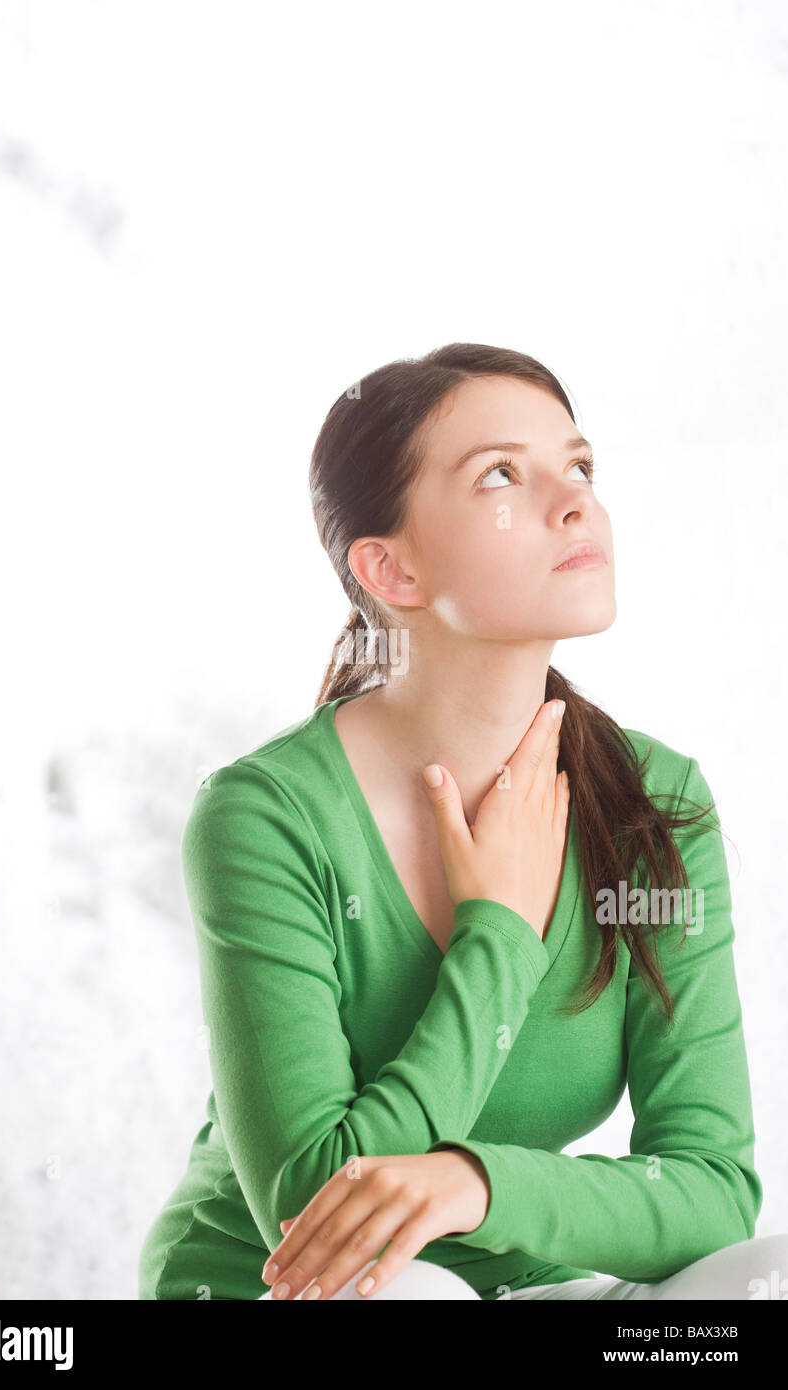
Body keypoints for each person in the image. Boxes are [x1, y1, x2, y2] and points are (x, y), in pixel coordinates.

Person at [139, 343, 779, 1302]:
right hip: (302, 1289)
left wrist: (477, 1185)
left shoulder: (656, 805)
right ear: (390, 569)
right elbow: (318, 1203)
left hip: (520, 1282)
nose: (576, 503)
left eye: (580, 467)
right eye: (501, 476)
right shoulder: (265, 816)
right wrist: (503, 939)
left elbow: (714, 1192)